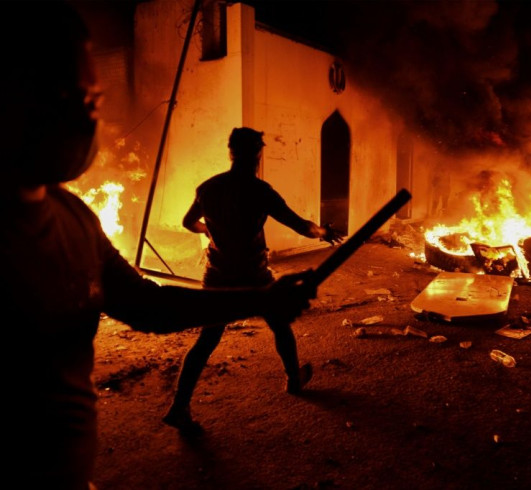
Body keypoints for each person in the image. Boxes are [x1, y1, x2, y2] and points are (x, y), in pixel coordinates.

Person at [0, 3, 316, 489]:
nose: (89, 120)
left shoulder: (75, 218)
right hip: (246, 271)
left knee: (218, 335)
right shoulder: (258, 191)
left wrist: (262, 295)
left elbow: (148, 305)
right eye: (69, 98)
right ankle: (288, 381)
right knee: (263, 331)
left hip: (71, 473)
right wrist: (270, 287)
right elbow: (290, 221)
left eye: (94, 101)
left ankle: (185, 404)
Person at [163, 126, 343, 432]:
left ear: (231, 153)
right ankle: (293, 380)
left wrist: (209, 230)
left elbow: (187, 222)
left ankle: (179, 407)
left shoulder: (208, 188)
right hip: (253, 277)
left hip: (218, 276)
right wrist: (324, 231)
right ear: (257, 155)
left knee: (207, 340)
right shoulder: (261, 192)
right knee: (279, 325)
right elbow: (301, 226)